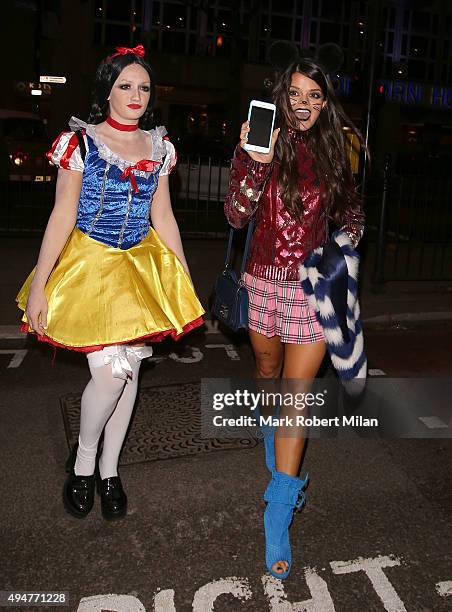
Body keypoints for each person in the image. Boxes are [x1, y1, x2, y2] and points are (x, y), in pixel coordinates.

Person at [16, 45, 204, 521]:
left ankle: (110, 470)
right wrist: (39, 284)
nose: (136, 95)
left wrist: (181, 272)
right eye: (126, 85)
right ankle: (83, 464)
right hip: (90, 266)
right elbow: (61, 215)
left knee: (130, 375)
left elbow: (162, 214)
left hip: (139, 266)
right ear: (107, 90)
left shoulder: (159, 148)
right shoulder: (81, 143)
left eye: (143, 87)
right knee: (109, 375)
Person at [224, 57, 365, 579]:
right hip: (263, 279)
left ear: (325, 104)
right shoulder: (262, 146)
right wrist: (252, 160)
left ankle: (279, 509)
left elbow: (352, 213)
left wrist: (344, 250)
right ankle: (269, 430)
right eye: (295, 94)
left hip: (312, 286)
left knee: (296, 393)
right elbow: (237, 215)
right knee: (267, 371)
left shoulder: (334, 154)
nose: (303, 104)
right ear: (282, 98)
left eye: (314, 96)